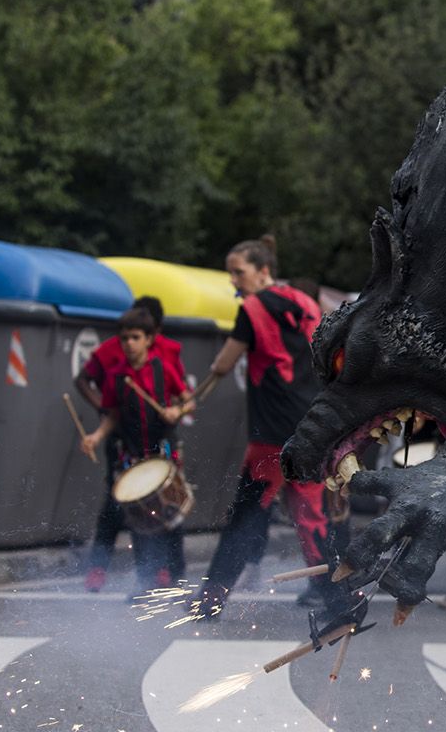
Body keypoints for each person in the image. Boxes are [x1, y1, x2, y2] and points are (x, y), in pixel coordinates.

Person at [195, 236, 336, 618]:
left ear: (263, 271)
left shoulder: (253, 308)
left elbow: (223, 365)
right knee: (312, 517)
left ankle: (210, 599)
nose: (233, 282)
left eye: (238, 273)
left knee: (244, 516)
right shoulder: (305, 302)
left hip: (272, 436)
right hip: (309, 427)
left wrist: (191, 400)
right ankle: (339, 598)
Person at [74, 296, 186, 592]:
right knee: (136, 516)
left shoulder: (164, 366)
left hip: (161, 448)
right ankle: (145, 579)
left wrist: (178, 410)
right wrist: (96, 436)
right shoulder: (116, 375)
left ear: (151, 338)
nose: (128, 343)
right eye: (124, 338)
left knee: (168, 512)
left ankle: (171, 572)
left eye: (135, 338)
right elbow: (111, 413)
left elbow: (186, 399)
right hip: (131, 450)